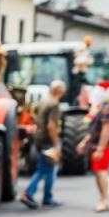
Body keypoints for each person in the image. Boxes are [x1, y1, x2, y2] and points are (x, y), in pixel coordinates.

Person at [78, 78, 109, 212]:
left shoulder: (108, 110)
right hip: (97, 146)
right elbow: (94, 129)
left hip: (104, 146)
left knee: (101, 172)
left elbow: (106, 130)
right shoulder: (101, 109)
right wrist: (84, 142)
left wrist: (101, 148)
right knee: (98, 172)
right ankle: (102, 199)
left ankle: (105, 200)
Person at [22, 80, 64, 209]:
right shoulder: (54, 104)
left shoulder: (44, 101)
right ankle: (28, 193)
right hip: (48, 140)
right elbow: (51, 126)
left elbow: (33, 115)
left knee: (49, 169)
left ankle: (47, 197)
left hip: (39, 138)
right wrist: (56, 144)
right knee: (44, 169)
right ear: (59, 91)